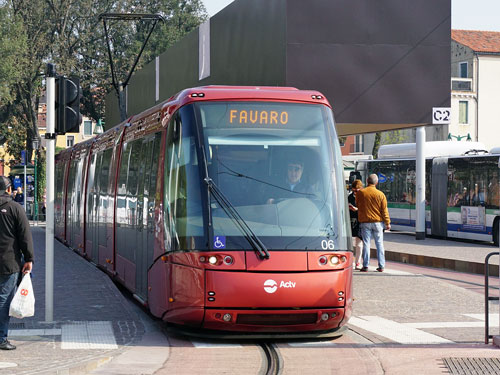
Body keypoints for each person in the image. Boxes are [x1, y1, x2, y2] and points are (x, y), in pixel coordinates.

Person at [0, 176, 34, 350]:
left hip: (9, 264)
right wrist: (29, 259)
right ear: (8, 189)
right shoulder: (15, 208)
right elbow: (25, 237)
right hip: (9, 263)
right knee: (4, 301)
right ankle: (1, 338)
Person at [356, 174, 390, 272]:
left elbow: (358, 204)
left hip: (365, 222)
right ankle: (381, 266)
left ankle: (365, 265)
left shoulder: (361, 193)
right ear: (377, 182)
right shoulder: (380, 194)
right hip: (378, 223)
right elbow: (384, 210)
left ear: (367, 181)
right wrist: (387, 223)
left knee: (366, 243)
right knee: (379, 244)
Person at [348, 179, 364, 269]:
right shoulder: (350, 197)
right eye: (353, 190)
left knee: (359, 243)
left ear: (360, 188)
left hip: (360, 220)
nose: (355, 192)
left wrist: (356, 209)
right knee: (349, 242)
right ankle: (350, 261)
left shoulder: (363, 196)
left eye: (357, 191)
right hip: (351, 220)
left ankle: (357, 262)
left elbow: (365, 209)